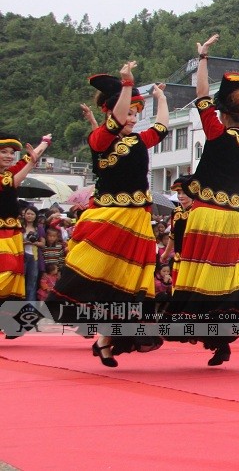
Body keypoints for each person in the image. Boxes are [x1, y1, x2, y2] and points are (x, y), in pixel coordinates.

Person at [47, 62, 169, 367]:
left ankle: (105, 339)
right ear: (111, 113)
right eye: (128, 112)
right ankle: (99, 334)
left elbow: (162, 127)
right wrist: (127, 86)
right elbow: (113, 123)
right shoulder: (99, 140)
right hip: (109, 217)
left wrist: (161, 98)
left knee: (128, 283)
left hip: (138, 219)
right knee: (98, 277)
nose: (132, 118)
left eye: (135, 114)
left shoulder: (138, 141)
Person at [165, 34, 239, 366]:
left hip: (208, 212)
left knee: (204, 275)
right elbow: (208, 99)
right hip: (238, 216)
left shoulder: (216, 133)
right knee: (232, 274)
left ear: (223, 113)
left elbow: (201, 95)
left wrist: (203, 59)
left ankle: (212, 333)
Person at [0, 134, 50, 306]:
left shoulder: (8, 172)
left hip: (12, 233)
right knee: (7, 269)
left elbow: (28, 158)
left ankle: (6, 316)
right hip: (2, 234)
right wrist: (31, 163)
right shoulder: (6, 178)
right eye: (3, 152)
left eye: (11, 153)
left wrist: (44, 142)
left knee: (14, 272)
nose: (9, 156)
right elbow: (13, 181)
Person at [20, 205, 45, 301]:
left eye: (32, 214)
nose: (29, 216)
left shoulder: (39, 228)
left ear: (35, 216)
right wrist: (24, 243)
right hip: (21, 256)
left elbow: (43, 244)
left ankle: (30, 305)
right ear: (24, 215)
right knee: (20, 281)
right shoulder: (20, 227)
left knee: (32, 282)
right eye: (28, 213)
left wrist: (34, 242)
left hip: (34, 257)